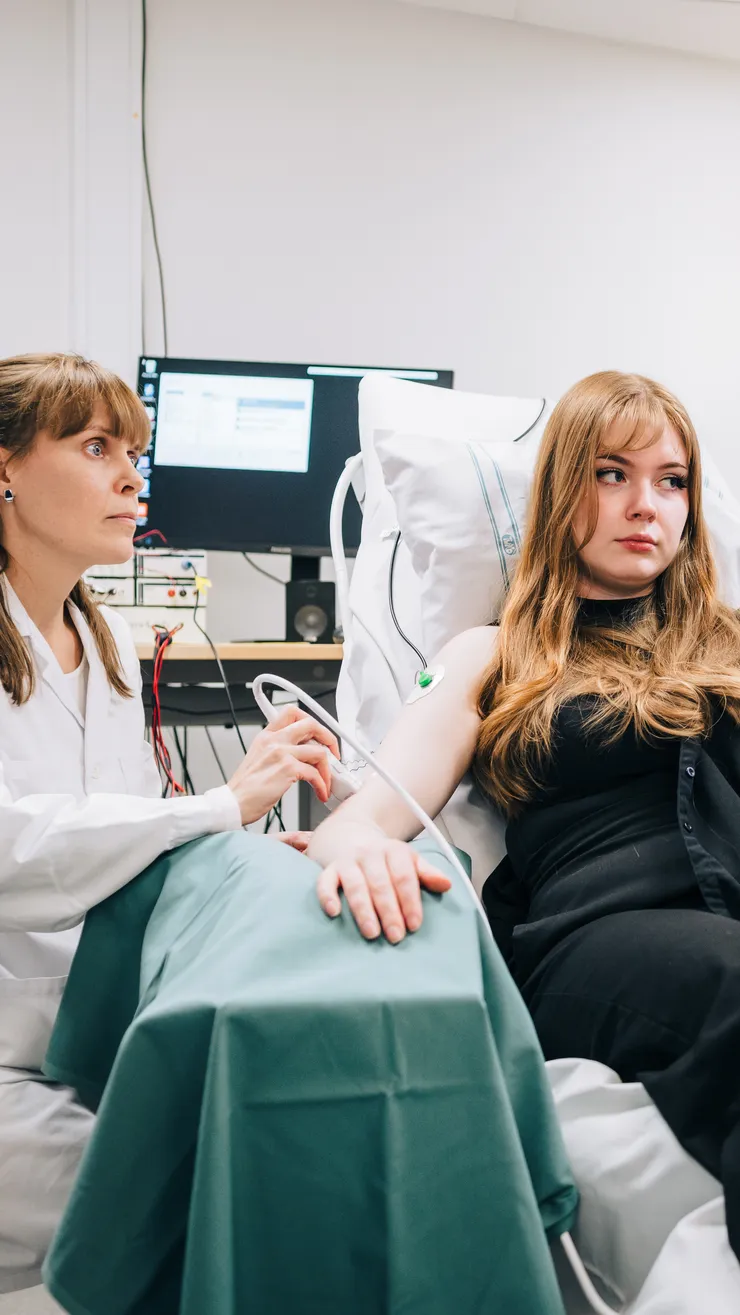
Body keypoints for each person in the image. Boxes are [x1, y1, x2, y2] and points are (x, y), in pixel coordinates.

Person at [307, 369, 740, 1263]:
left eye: (671, 479)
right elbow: (371, 813)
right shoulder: (496, 653)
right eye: (611, 473)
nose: (644, 503)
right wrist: (356, 848)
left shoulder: (729, 641)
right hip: (602, 933)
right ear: (561, 491)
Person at [0, 352, 338, 1292]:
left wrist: (251, 858)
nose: (130, 476)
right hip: (11, 1049)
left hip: (83, 1027)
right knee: (199, 1207)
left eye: (136, 452)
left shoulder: (96, 643)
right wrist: (224, 803)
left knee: (275, 1148)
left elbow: (134, 834)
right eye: (96, 445)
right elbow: (16, 847)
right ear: (5, 468)